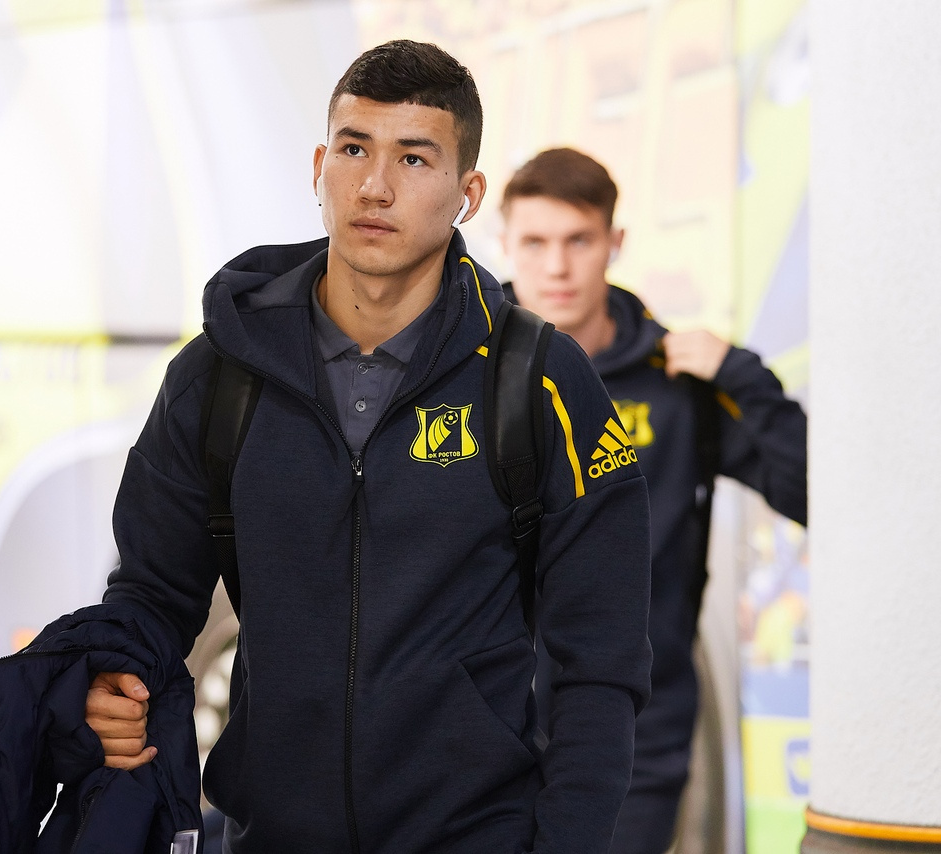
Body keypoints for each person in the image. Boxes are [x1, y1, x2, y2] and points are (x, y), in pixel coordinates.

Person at [89, 42, 653, 853]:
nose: (375, 186)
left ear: (467, 195)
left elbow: (601, 663)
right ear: (320, 167)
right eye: (354, 149)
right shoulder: (218, 375)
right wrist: (116, 670)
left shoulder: (540, 381)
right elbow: (152, 593)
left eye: (414, 158)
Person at [498, 147, 808, 854]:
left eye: (579, 240)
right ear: (505, 243)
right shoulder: (465, 367)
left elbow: (811, 492)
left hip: (636, 731)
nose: (557, 267)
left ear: (615, 241)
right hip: (483, 725)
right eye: (535, 243)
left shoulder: (679, 381)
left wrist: (741, 375)